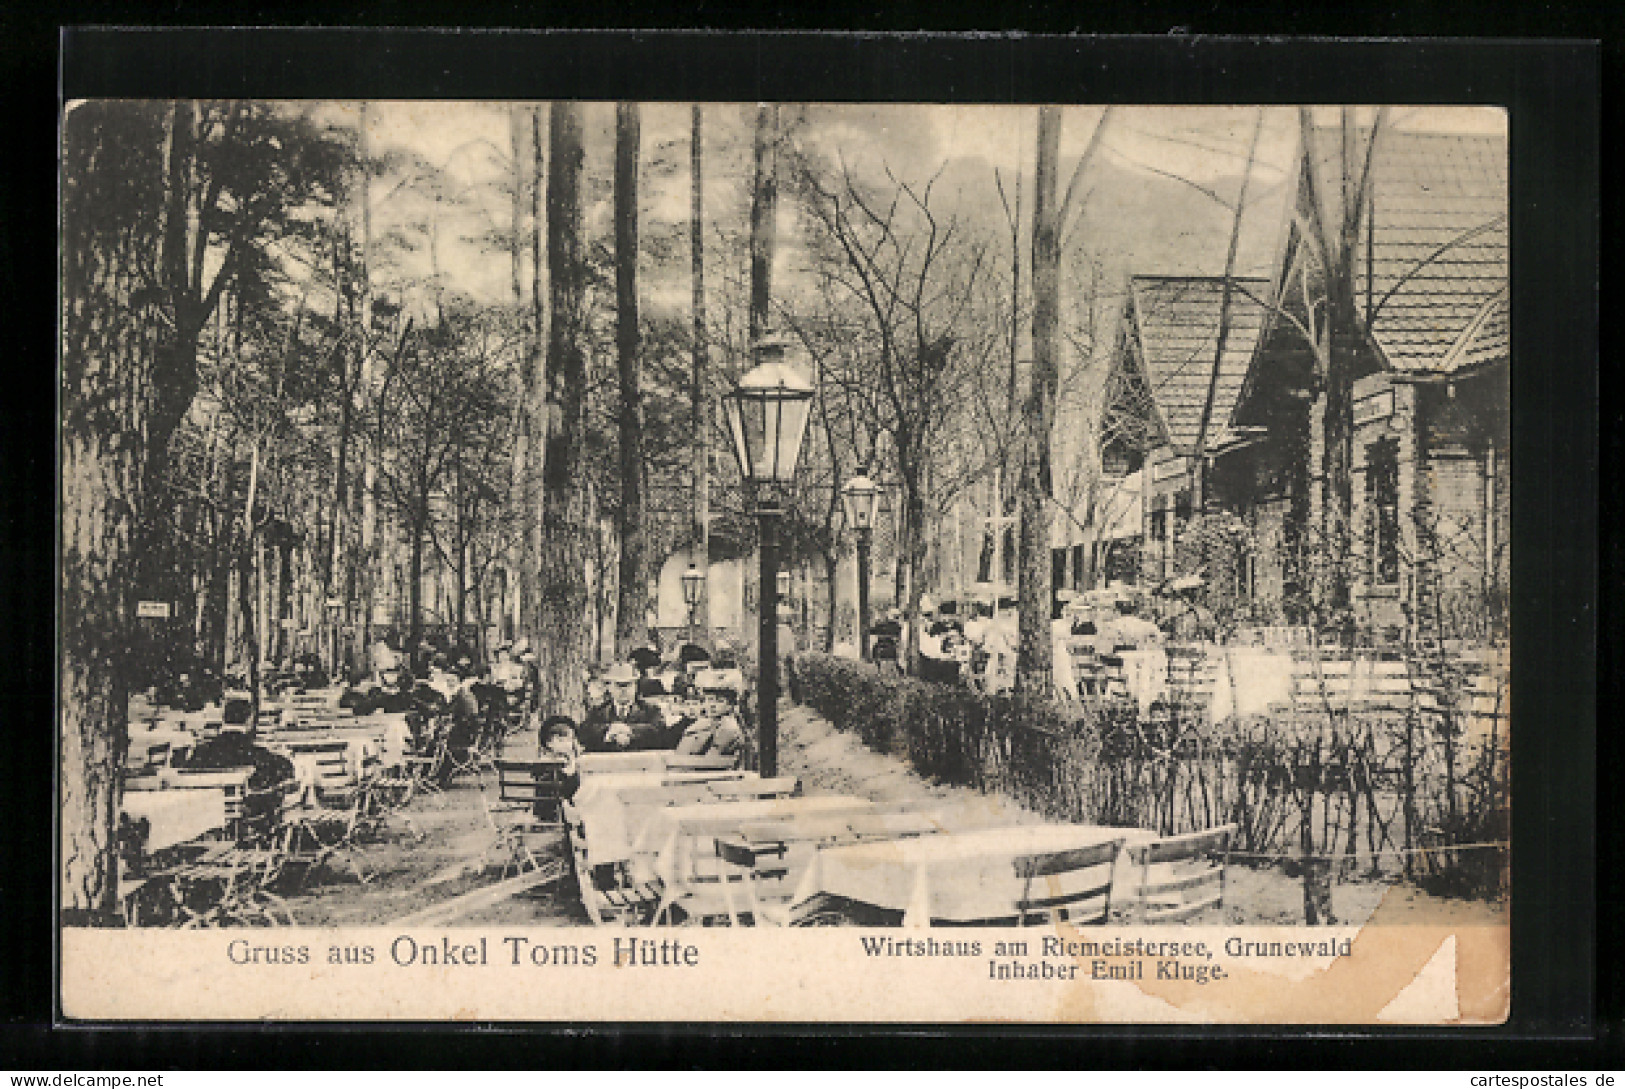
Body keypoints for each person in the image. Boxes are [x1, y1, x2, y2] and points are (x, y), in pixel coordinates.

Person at [579, 662, 670, 752]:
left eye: (628, 685)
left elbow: (659, 731)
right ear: (609, 687)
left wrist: (628, 730)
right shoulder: (597, 712)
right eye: (618, 685)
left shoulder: (651, 711)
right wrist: (609, 730)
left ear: (635, 686)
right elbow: (585, 733)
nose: (623, 690)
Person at [674, 674, 745, 758]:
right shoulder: (706, 723)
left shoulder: (728, 728)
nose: (712, 705)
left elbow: (711, 759)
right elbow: (681, 753)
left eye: (719, 701)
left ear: (730, 705)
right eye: (709, 700)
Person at [539, 715, 583, 801]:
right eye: (562, 740)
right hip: (554, 804)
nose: (568, 744)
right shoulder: (552, 764)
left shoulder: (548, 760)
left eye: (570, 740)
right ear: (550, 743)